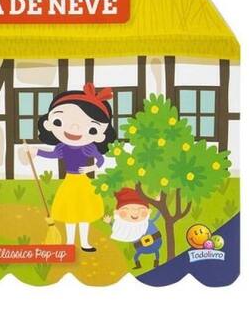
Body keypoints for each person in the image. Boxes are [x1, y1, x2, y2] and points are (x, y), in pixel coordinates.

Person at [26, 83, 116, 252]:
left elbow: (100, 160)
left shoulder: (88, 147)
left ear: (100, 135)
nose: (75, 128)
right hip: (70, 181)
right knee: (70, 215)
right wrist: (36, 152)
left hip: (84, 183)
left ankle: (85, 243)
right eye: (60, 121)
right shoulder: (63, 147)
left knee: (84, 215)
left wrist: (90, 169)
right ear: (49, 123)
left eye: (92, 128)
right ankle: (69, 243)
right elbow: (52, 155)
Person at [103, 187, 162, 269]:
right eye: (127, 210)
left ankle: (157, 262)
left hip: (156, 243)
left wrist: (158, 204)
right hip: (140, 247)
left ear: (148, 211)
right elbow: (118, 228)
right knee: (136, 256)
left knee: (156, 252)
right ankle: (138, 265)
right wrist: (109, 222)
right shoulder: (124, 228)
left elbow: (157, 216)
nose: (135, 212)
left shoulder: (147, 222)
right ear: (118, 213)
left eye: (140, 209)